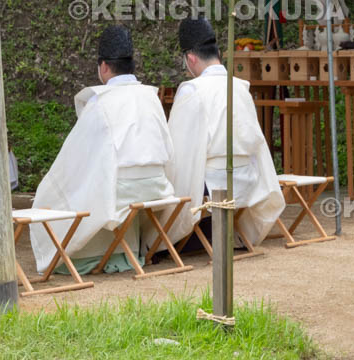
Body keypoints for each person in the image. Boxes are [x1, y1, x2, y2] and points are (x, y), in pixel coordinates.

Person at [31, 25, 175, 274]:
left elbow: (75, 158)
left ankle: (85, 256)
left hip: (119, 192)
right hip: (156, 187)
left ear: (104, 67)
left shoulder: (101, 102)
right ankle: (122, 251)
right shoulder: (151, 96)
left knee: (54, 192)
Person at [165, 17, 284, 247]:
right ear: (218, 52)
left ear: (190, 58)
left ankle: (181, 238)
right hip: (248, 181)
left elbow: (177, 147)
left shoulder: (192, 90)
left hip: (212, 186)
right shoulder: (240, 87)